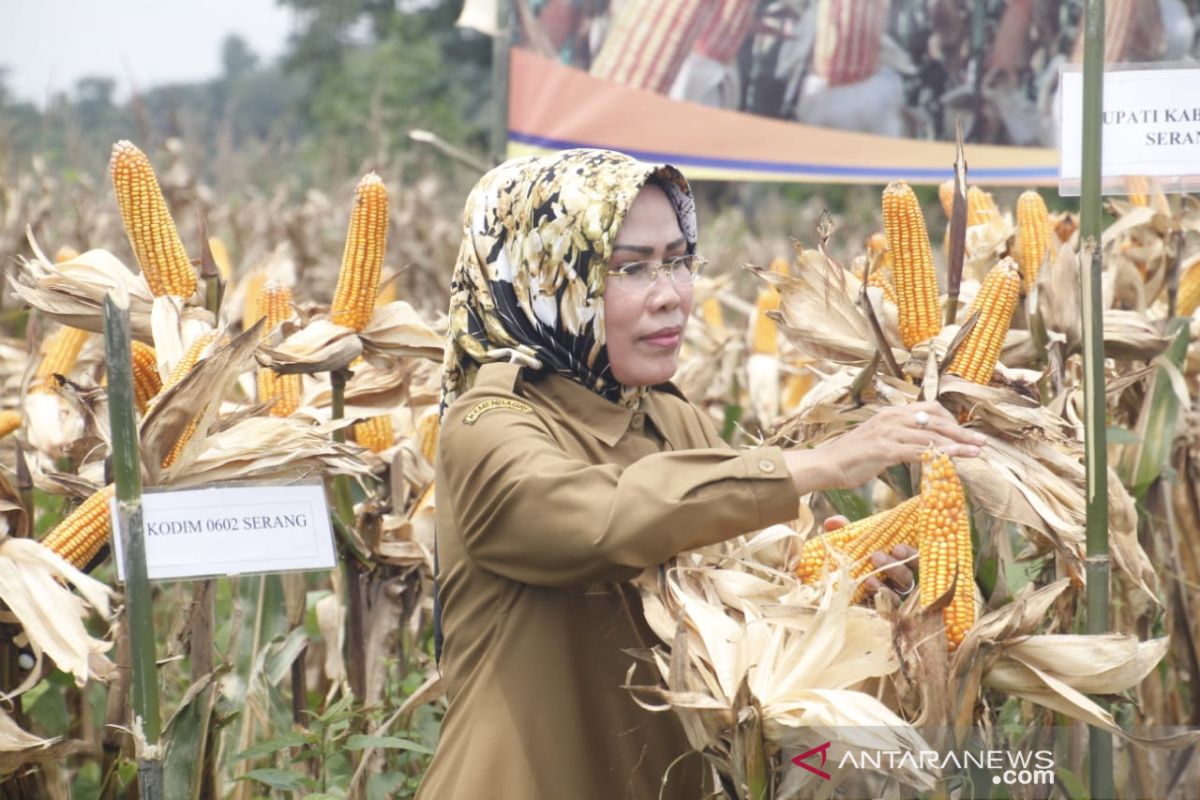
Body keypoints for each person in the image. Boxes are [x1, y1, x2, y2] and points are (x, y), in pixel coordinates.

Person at [414, 149, 985, 799]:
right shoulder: (486, 423)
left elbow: (744, 611)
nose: (672, 297)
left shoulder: (668, 418)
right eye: (630, 268)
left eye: (679, 260)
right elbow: (597, 521)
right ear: (545, 278)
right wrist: (818, 462)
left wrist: (847, 587)